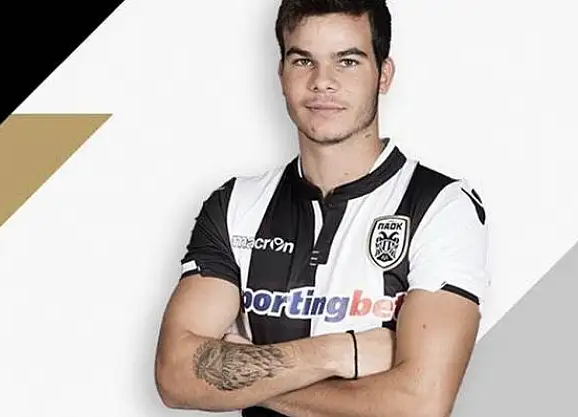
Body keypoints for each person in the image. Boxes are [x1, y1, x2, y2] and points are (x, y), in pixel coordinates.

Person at [154, 1, 489, 416]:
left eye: (347, 61)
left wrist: (239, 376)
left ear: (383, 75)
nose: (322, 82)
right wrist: (340, 352)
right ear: (281, 74)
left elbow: (419, 405)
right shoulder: (235, 204)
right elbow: (175, 375)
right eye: (303, 61)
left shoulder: (440, 205)